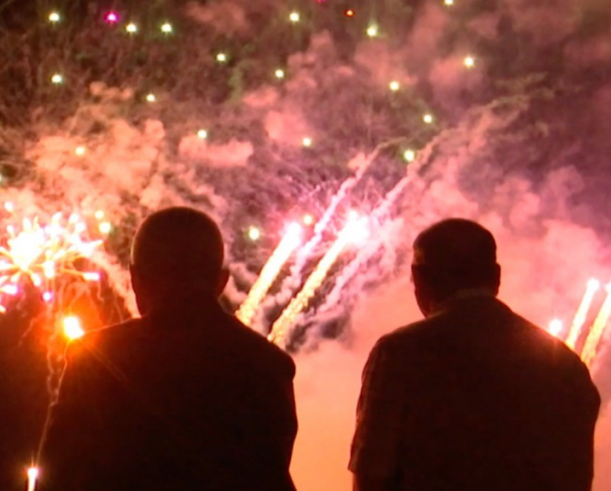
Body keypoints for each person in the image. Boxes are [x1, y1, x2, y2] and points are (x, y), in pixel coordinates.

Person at [38, 207, 298, 490]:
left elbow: (55, 478)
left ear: (136, 278)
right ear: (221, 281)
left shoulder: (91, 358)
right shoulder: (269, 365)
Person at [350, 218, 601, 491]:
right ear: (496, 276)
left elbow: (371, 473)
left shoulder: (399, 354)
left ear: (419, 277)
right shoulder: (566, 365)